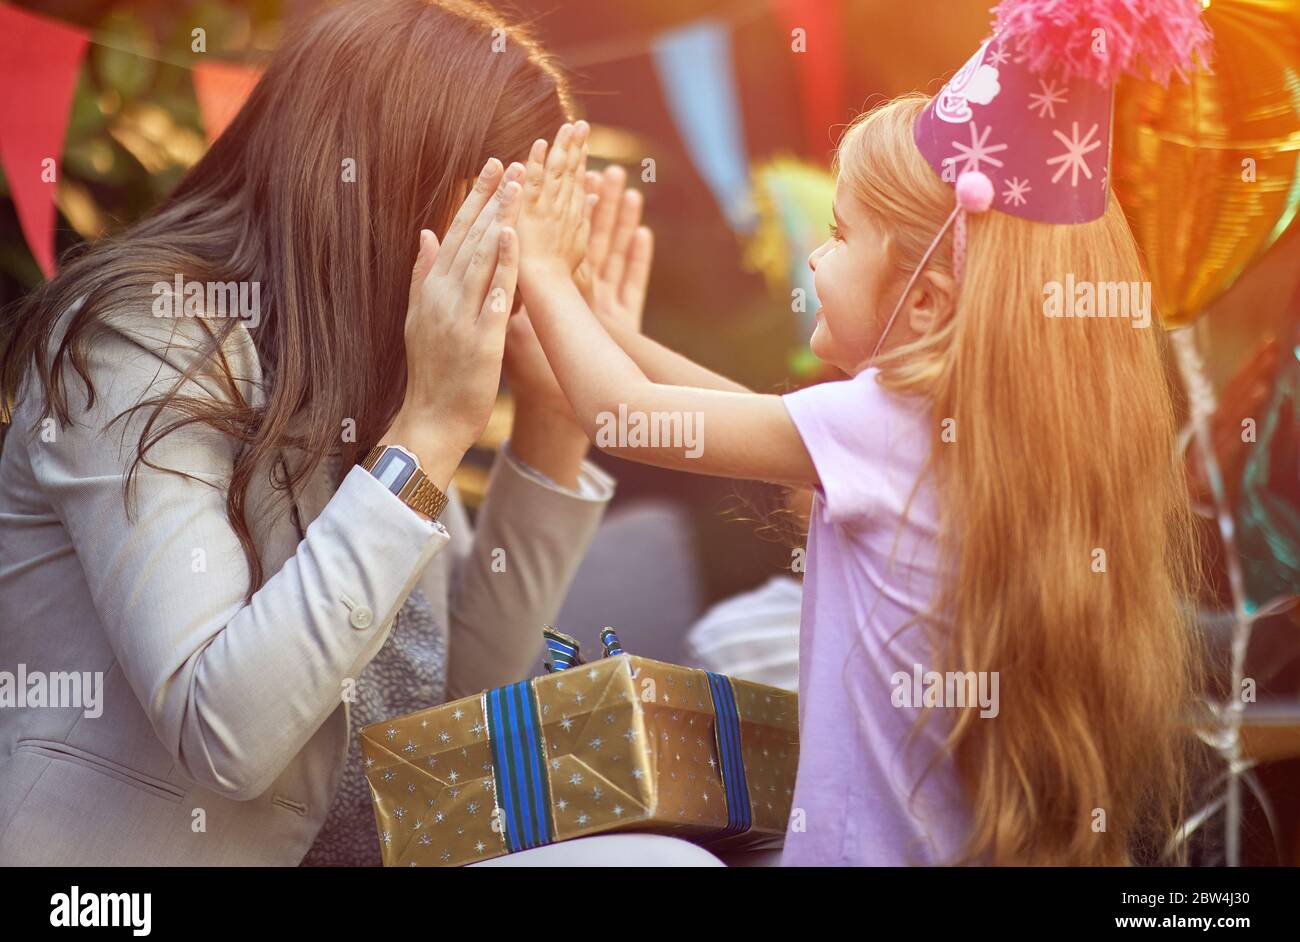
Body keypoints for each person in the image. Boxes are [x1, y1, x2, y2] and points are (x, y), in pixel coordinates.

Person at [0, 0, 708, 867]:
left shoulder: (372, 367)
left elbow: (460, 727)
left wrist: (553, 426)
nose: (515, 268)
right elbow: (224, 732)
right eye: (500, 220)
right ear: (393, 188)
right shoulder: (143, 335)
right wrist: (429, 433)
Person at [509, 0, 1211, 866]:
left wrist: (540, 267)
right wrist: (615, 328)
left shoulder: (880, 424)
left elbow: (622, 417)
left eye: (841, 236)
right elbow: (756, 424)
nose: (815, 255)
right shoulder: (974, 430)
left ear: (923, 301)